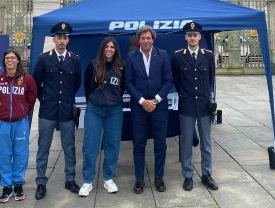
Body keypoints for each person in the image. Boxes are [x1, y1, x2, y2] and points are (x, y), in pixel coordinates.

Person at [33, 22, 82, 200]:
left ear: (68, 40)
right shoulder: (43, 59)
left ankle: (70, 179)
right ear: (54, 39)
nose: (62, 41)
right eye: (59, 37)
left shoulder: (74, 59)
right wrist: (45, 100)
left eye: (65, 37)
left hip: (67, 110)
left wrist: (67, 100)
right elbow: (35, 83)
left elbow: (76, 83)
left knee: (69, 147)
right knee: (43, 147)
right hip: (48, 110)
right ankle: (40, 182)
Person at [125, 25, 173, 194]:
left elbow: (168, 80)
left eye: (148, 38)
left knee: (160, 143)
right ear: (139, 40)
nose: (146, 41)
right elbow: (128, 82)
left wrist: (156, 100)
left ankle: (159, 178)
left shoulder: (163, 55)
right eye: (143, 38)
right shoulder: (131, 57)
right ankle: (139, 180)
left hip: (159, 107)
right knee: (139, 144)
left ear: (153, 39)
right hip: (139, 108)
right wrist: (142, 101)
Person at [171, 22, 218, 191]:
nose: (192, 38)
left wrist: (206, 97)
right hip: (187, 104)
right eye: (189, 35)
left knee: (206, 142)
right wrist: (185, 94)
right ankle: (188, 175)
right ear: (185, 37)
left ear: (199, 37)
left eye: (195, 35)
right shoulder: (177, 56)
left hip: (204, 105)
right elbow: (176, 80)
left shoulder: (208, 55)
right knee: (186, 142)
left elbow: (211, 78)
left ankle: (207, 174)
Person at [78, 37, 125, 197]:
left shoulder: (121, 67)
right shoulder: (93, 65)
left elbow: (123, 88)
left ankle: (108, 179)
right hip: (95, 110)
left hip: (114, 111)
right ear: (102, 49)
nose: (110, 49)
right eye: (107, 46)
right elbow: (87, 88)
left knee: (112, 144)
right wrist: (94, 101)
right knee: (90, 144)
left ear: (115, 49)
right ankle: (88, 181)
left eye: (112, 47)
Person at [0, 48, 37, 203]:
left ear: (17, 60)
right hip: (2, 123)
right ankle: (6, 186)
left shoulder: (27, 79)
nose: (10, 60)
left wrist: (22, 111)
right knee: (3, 155)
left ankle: (18, 184)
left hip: (20, 123)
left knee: (21, 154)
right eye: (7, 58)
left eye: (12, 58)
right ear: (4, 61)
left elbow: (31, 98)